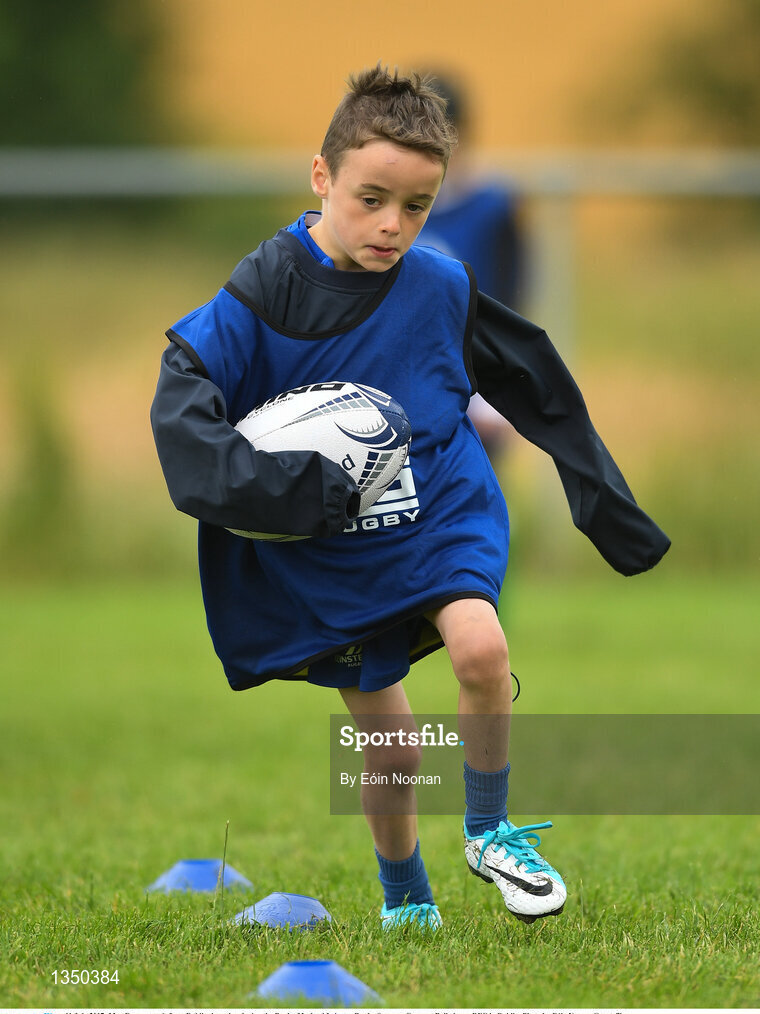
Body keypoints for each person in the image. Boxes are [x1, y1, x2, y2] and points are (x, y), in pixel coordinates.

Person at [150, 65, 670, 931]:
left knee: (481, 648)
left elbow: (538, 381)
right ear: (321, 176)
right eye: (371, 198)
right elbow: (184, 406)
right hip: (334, 546)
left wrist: (601, 499)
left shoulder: (440, 284)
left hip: (438, 511)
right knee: (388, 746)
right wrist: (285, 491)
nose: (393, 225)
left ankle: (490, 828)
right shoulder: (262, 289)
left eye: (418, 205)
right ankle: (406, 901)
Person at [418, 72, 523, 463]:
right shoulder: (382, 205)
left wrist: (494, 394)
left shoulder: (492, 206)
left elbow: (509, 296)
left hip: (472, 379)